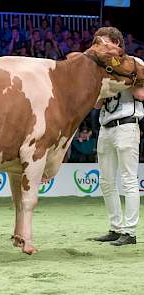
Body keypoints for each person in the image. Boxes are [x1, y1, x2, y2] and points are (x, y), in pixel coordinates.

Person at [93, 27, 144, 246]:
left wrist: (123, 77)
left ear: (116, 42)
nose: (100, 47)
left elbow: (141, 94)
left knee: (128, 180)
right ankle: (115, 228)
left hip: (127, 125)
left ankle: (130, 232)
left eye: (104, 43)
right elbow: (96, 104)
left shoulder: (135, 63)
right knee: (106, 181)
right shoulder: (101, 67)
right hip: (105, 127)